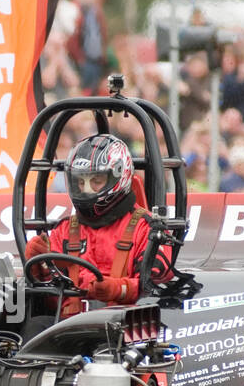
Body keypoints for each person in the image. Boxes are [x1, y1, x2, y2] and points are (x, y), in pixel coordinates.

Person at [23, 133, 165, 311]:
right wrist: (38, 268)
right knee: (29, 324)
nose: (86, 190)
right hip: (66, 329)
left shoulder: (147, 229)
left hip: (123, 328)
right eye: (81, 182)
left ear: (119, 176)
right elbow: (49, 300)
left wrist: (118, 289)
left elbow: (158, 291)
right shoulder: (64, 230)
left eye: (96, 181)